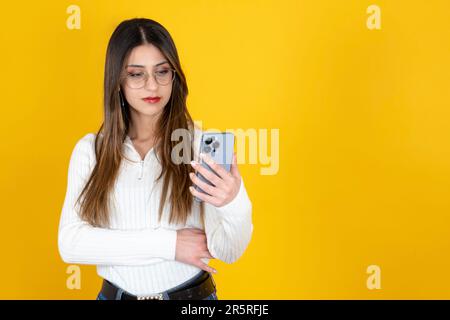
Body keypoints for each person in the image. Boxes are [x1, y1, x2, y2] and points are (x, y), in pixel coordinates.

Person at [57, 18, 253, 300]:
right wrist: (170, 244)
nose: (152, 85)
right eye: (137, 74)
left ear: (174, 76)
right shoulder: (91, 151)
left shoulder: (199, 145)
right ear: (118, 81)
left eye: (162, 71)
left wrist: (233, 202)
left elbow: (228, 251)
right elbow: (72, 244)